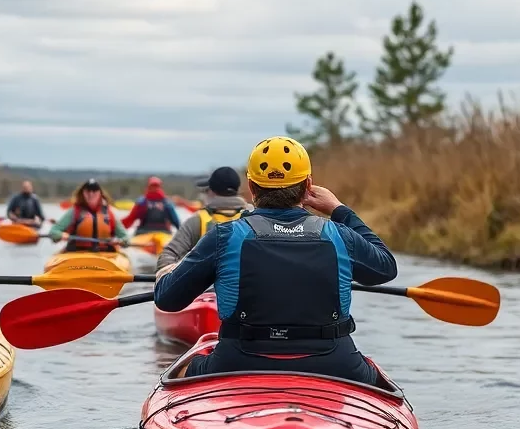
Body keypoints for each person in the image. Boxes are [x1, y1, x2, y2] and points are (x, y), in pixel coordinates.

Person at [154, 137, 396, 384]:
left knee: (178, 370)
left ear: (251, 187)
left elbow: (167, 300)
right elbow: (386, 268)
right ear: (308, 185)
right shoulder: (339, 235)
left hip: (237, 361)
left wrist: (166, 273)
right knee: (380, 381)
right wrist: (338, 209)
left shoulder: (224, 236)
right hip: (335, 363)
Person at [157, 166, 250, 271]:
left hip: (203, 284)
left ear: (211, 191)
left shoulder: (197, 220)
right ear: (238, 190)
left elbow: (168, 255)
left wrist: (166, 274)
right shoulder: (254, 216)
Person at [49, 179, 129, 252]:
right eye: (88, 191)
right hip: (77, 253)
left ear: (100, 193)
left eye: (94, 191)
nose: (91, 194)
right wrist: (61, 234)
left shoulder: (110, 212)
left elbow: (126, 238)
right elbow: (53, 231)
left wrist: (120, 241)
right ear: (83, 193)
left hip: (105, 254)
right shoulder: (74, 211)